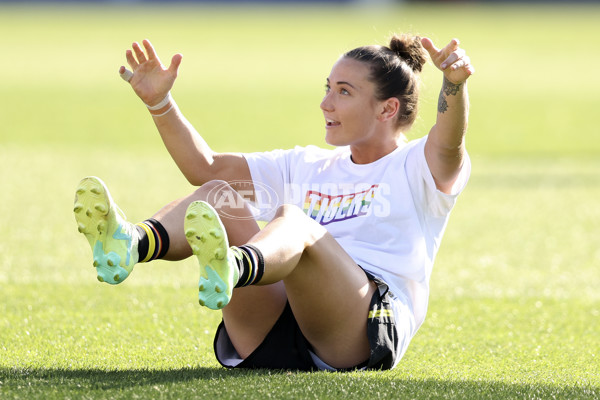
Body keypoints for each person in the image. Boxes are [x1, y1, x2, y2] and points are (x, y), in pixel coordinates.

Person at [73, 33, 473, 371]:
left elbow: (449, 142)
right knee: (218, 195)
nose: (326, 103)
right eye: (327, 88)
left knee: (294, 222)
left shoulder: (418, 164)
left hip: (359, 332)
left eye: (344, 92)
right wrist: (159, 102)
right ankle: (129, 243)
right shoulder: (307, 164)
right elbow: (205, 167)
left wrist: (453, 85)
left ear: (388, 108)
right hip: (272, 328)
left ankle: (233, 266)